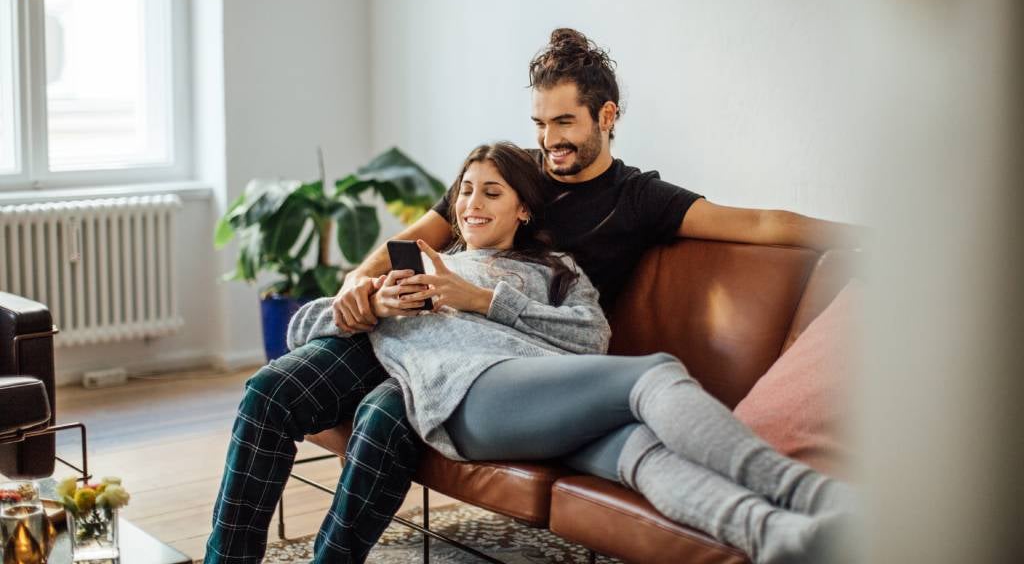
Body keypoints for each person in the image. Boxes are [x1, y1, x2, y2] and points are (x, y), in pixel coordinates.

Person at [206, 28, 860, 563]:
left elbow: (760, 224)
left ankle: (783, 532)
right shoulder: (511, 171)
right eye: (541, 123)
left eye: (565, 122)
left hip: (510, 363)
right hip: (416, 333)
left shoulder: (636, 200)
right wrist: (360, 284)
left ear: (607, 117)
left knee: (397, 420)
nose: (549, 141)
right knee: (271, 393)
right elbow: (418, 235)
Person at [290, 141, 854, 564]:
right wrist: (370, 300)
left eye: (491, 192)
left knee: (642, 452)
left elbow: (590, 338)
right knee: (653, 374)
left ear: (523, 210)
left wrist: (485, 300)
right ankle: (811, 494)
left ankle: (778, 536)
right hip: (467, 396)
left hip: (545, 397)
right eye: (465, 191)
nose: (472, 204)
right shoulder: (418, 273)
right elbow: (307, 325)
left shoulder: (557, 271)